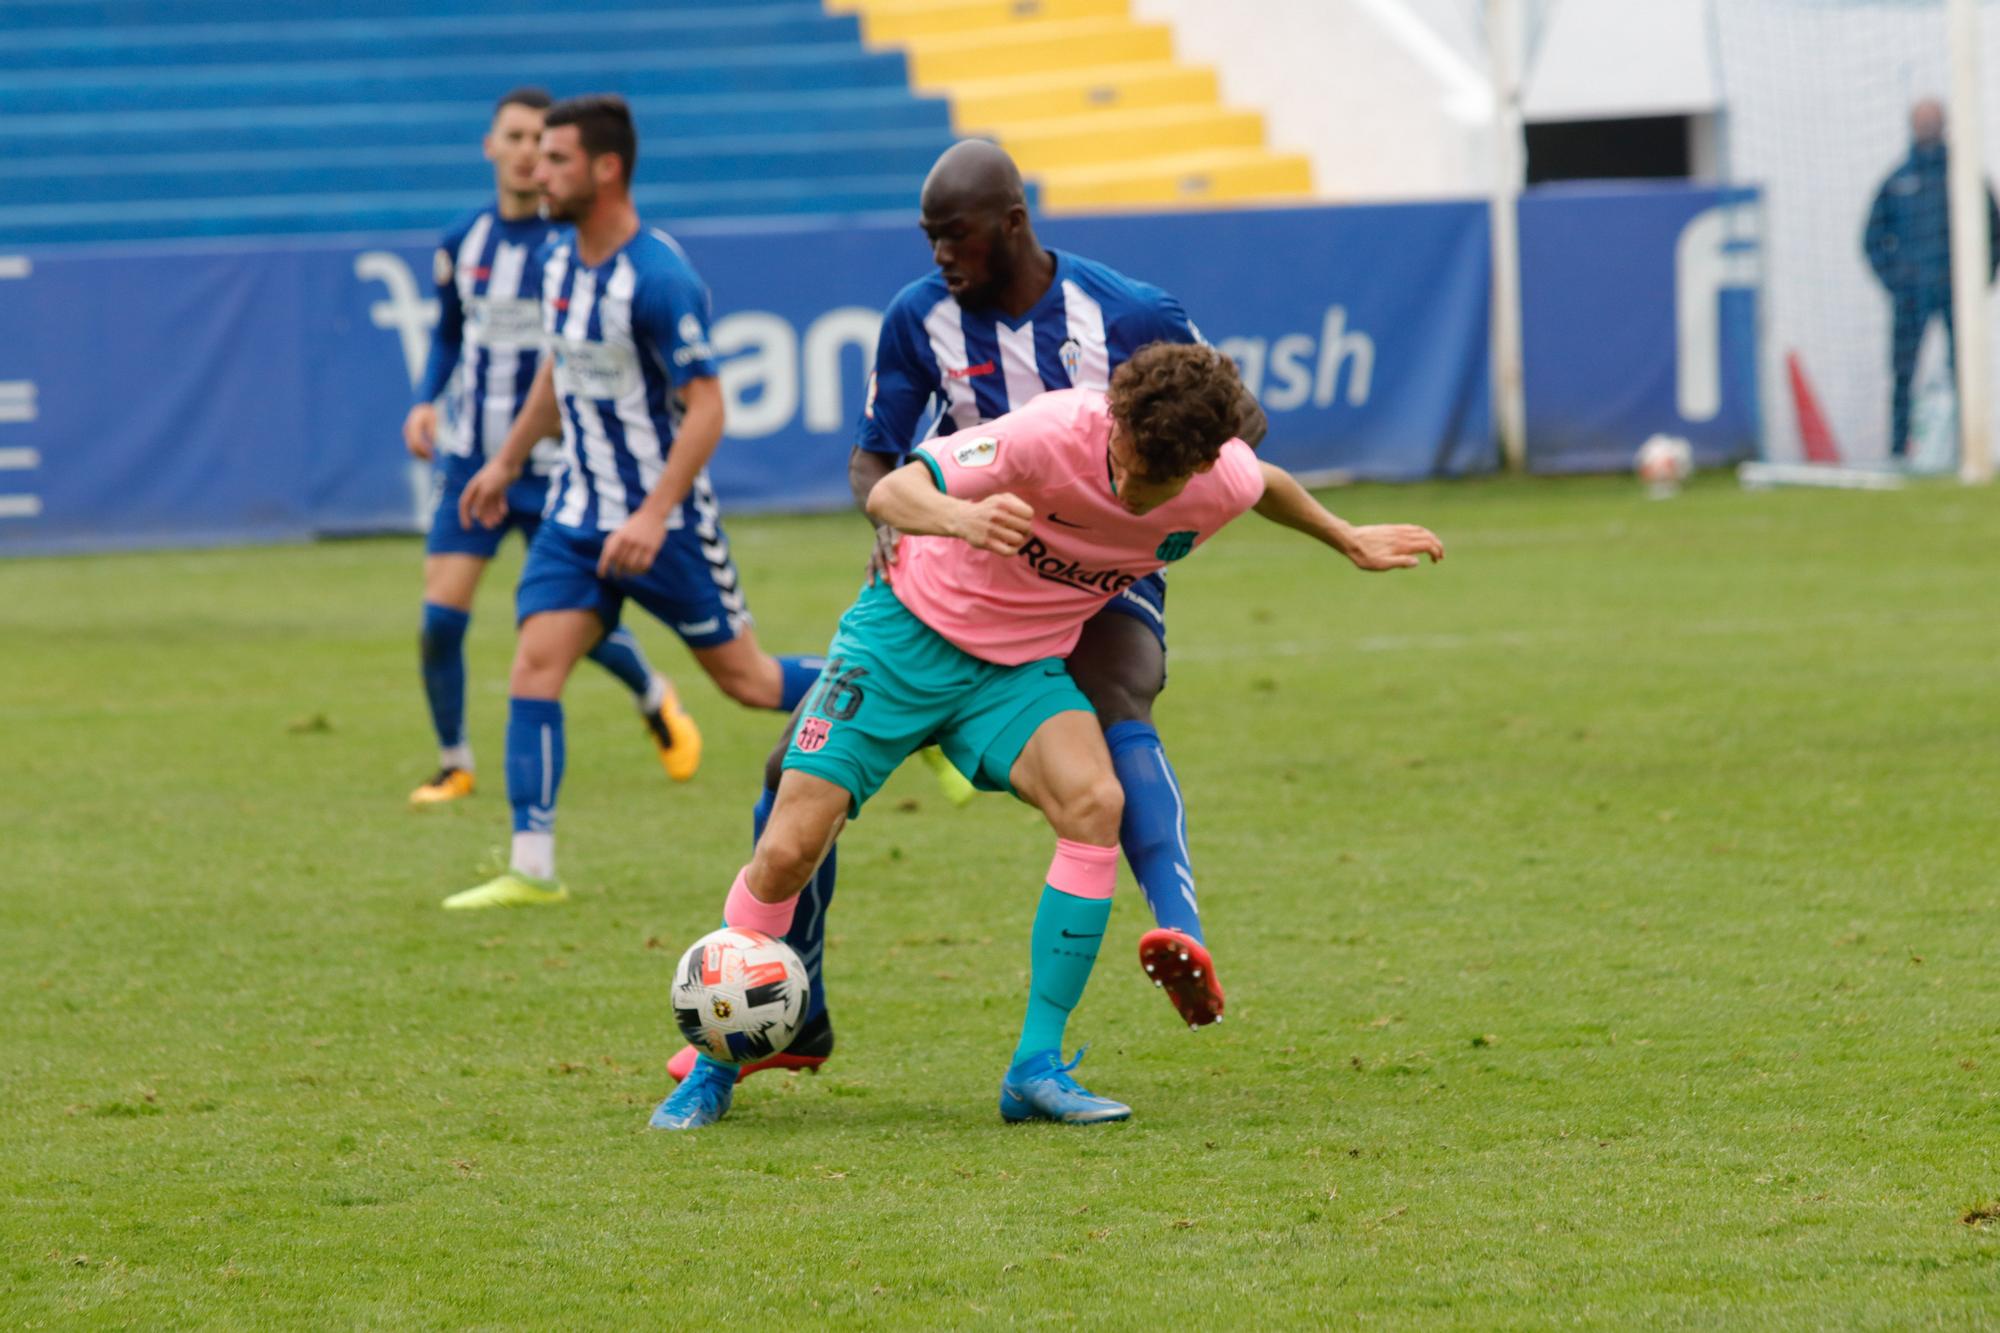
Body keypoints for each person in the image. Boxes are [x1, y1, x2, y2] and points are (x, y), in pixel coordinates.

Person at [649, 343, 1443, 1131]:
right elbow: (893, 491)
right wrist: (962, 515)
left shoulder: (1221, 478)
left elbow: (1264, 483)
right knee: (788, 848)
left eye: (1153, 480)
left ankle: (1035, 1066)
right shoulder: (1051, 431)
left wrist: (1347, 537)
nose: (1127, 486)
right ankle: (715, 1068)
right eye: (1123, 459)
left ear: (1200, 468)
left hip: (1016, 670)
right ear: (1114, 420)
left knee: (1095, 801)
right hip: (900, 642)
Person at [663, 140, 1269, 1087]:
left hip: (1100, 567)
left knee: (1115, 706)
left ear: (1013, 223)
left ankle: (1172, 931)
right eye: (930, 237)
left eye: (958, 236)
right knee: (788, 786)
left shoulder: (1133, 315)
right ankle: (789, 1009)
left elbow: (1218, 429)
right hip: (952, 561)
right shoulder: (919, 318)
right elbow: (877, 459)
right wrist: (915, 511)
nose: (942, 253)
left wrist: (1341, 529)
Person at [443, 94, 822, 910]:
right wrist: (506, 460)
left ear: (605, 168)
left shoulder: (659, 278)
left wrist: (652, 512)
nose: (536, 172)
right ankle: (532, 866)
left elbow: (709, 405)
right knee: (535, 664)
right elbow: (559, 373)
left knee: (751, 683)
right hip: (577, 516)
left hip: (668, 523)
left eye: (555, 159)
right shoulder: (556, 264)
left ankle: (895, 694)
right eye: (535, 156)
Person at [404, 87, 679, 808]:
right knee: (439, 618)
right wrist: (426, 401)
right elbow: (449, 334)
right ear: (490, 146)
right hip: (475, 459)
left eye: (540, 140)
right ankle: (454, 761)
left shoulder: (568, 245)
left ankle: (652, 691)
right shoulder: (463, 239)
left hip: (560, 469)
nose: (528, 152)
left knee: (567, 625)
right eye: (516, 137)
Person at [1863, 97, 2000, 460]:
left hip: (1956, 294)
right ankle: (1898, 451)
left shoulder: (1965, 176)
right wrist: (1897, 281)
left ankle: (1967, 449)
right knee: (1903, 374)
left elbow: (1995, 231)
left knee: (1965, 372)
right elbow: (1871, 239)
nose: (1928, 129)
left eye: (1933, 121)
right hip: (1911, 296)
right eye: (1922, 122)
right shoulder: (1898, 180)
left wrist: (1979, 282)